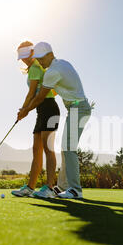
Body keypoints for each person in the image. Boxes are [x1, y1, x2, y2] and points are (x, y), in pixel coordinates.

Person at [17, 42, 92, 199]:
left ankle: (75, 189)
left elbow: (39, 97)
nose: (40, 62)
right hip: (76, 108)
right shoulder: (62, 64)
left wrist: (25, 111)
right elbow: (56, 90)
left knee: (68, 147)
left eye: (41, 58)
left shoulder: (52, 71)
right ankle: (63, 187)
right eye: (37, 58)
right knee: (66, 147)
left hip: (78, 108)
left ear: (50, 55)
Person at [11, 41, 60, 198]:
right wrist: (25, 110)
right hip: (41, 110)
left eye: (26, 56)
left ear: (32, 53)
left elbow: (31, 93)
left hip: (49, 109)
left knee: (48, 149)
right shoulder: (37, 68)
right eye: (22, 57)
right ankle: (30, 188)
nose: (24, 59)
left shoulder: (35, 67)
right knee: (36, 151)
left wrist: (24, 110)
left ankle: (49, 188)